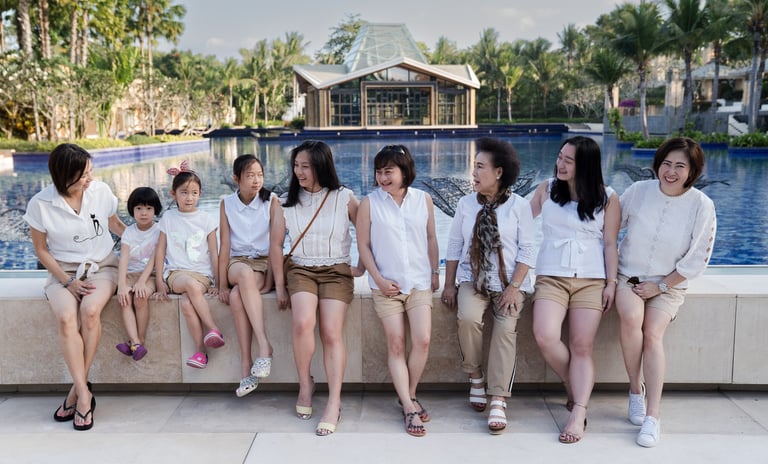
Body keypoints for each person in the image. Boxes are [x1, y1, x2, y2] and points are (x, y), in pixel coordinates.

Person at [615, 137, 716, 448]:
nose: (671, 171)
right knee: (632, 318)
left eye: (680, 166)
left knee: (652, 332)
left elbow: (698, 258)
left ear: (692, 171)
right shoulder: (637, 192)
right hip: (629, 277)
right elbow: (608, 228)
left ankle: (653, 416)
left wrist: (659, 286)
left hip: (670, 284)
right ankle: (635, 391)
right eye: (666, 164)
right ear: (658, 165)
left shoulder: (702, 205)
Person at [24, 143, 126, 431]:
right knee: (67, 318)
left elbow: (116, 225)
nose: (89, 179)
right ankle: (84, 393)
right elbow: (41, 250)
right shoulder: (40, 204)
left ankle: (76, 394)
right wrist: (68, 282)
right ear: (63, 175)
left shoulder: (101, 192)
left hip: (102, 267)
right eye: (83, 175)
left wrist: (149, 240)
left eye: (90, 172)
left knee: (90, 312)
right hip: (62, 273)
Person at [441, 137, 537, 435]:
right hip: (474, 280)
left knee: (505, 330)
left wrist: (514, 288)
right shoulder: (465, 204)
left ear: (498, 172)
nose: (474, 172)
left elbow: (528, 250)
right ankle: (475, 377)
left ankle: (498, 397)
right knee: (467, 317)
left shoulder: (520, 207)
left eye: (480, 167)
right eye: (474, 166)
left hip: (510, 283)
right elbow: (455, 245)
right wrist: (448, 285)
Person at [529, 135, 620, 444]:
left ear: (586, 166)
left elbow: (609, 244)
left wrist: (611, 283)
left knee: (582, 346)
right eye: (560, 157)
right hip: (551, 275)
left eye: (569, 160)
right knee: (545, 336)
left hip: (591, 279)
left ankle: (578, 409)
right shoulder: (545, 189)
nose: (560, 164)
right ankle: (574, 385)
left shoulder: (608, 197)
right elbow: (519, 222)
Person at [270, 140, 359, 437]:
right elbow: (275, 245)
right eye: (296, 166)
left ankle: (334, 401)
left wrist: (364, 267)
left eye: (305, 166)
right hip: (301, 268)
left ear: (321, 165)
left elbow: (370, 233)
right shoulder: (284, 201)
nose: (299, 172)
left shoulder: (344, 197)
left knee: (332, 332)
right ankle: (305, 384)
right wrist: (280, 287)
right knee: (302, 322)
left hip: (336, 270)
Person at [356, 144, 439, 437]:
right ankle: (407, 405)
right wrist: (377, 279)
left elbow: (430, 237)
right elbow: (363, 245)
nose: (383, 178)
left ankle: (410, 393)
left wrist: (434, 270)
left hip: (418, 282)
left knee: (423, 340)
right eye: (379, 172)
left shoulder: (423, 200)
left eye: (388, 171)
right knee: (396, 344)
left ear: (404, 171)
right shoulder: (369, 203)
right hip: (386, 286)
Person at [154, 161, 222, 369]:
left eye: (194, 193)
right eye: (184, 192)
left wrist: (218, 283)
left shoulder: (207, 219)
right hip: (176, 274)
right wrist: (159, 281)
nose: (189, 197)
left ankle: (200, 353)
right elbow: (160, 250)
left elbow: (214, 253)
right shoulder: (168, 217)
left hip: (202, 275)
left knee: (186, 303)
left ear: (200, 194)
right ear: (173, 194)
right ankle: (213, 329)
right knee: (190, 286)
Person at [218, 154, 275, 397]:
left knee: (236, 297)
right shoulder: (226, 203)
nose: (256, 180)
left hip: (262, 265)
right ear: (236, 179)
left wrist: (272, 281)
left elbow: (275, 245)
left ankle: (245, 369)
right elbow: (225, 246)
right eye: (250, 175)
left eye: (259, 175)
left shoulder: (271, 201)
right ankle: (264, 345)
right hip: (237, 263)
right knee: (241, 274)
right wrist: (221, 283)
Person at [115, 187, 162, 361]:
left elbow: (153, 260)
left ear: (155, 210)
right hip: (130, 274)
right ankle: (135, 342)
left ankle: (139, 340)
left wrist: (142, 282)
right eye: (139, 209)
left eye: (149, 208)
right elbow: (124, 259)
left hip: (149, 275)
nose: (144, 213)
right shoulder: (129, 232)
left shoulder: (159, 231)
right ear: (132, 210)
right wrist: (121, 285)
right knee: (125, 299)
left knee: (140, 297)